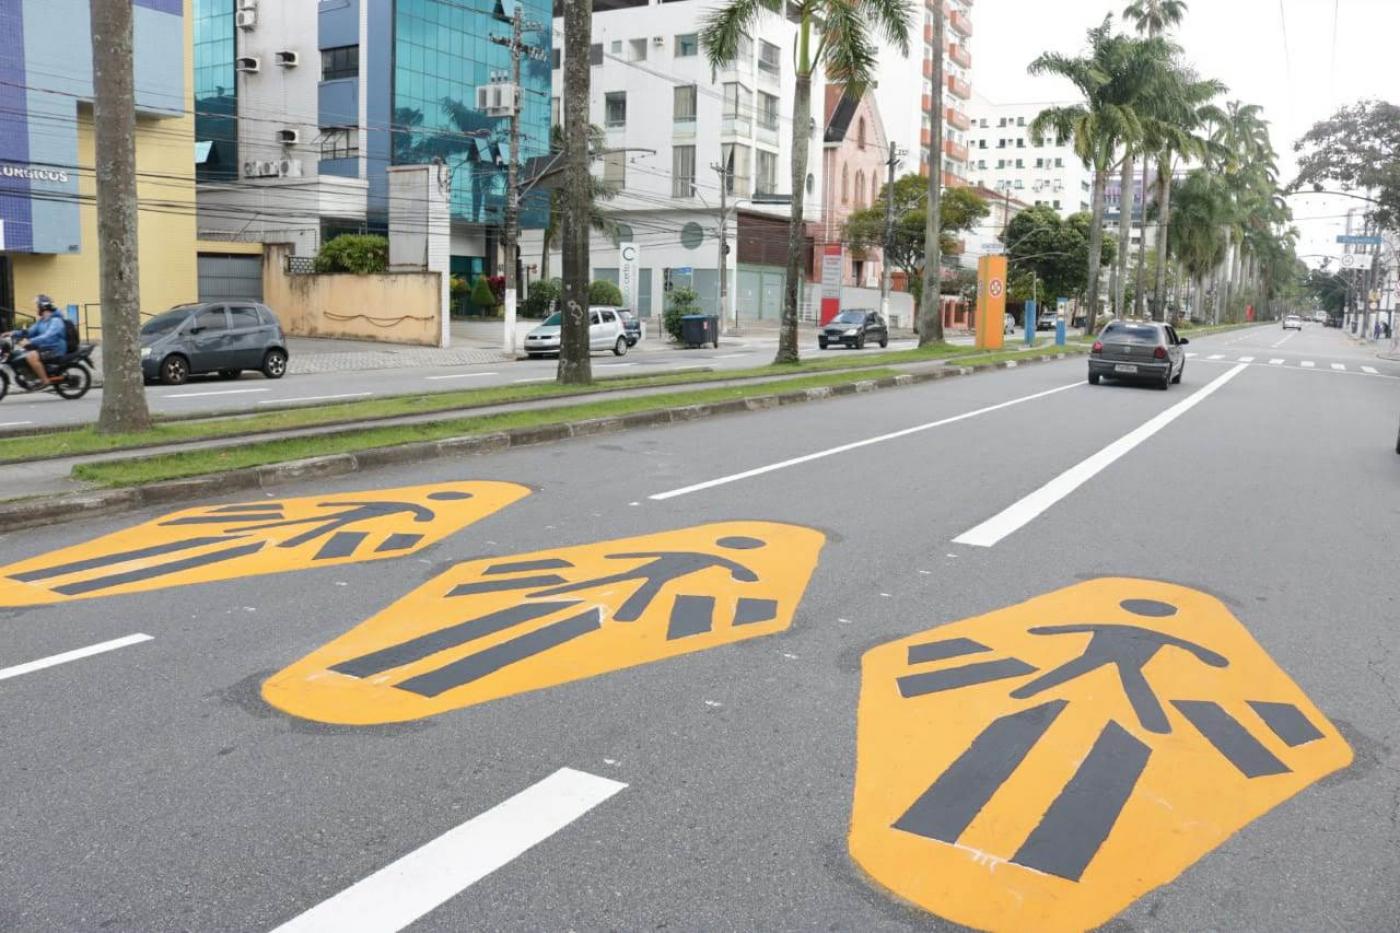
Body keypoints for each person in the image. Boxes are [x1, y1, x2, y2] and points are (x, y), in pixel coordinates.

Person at [7, 296, 68, 387]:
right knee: (19, 354)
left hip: (55, 349)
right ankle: (33, 376)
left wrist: (30, 341)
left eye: (38, 306)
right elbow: (29, 332)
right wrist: (13, 333)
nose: (37, 309)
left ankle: (45, 381)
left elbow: (48, 336)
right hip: (45, 347)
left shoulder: (56, 321)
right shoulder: (42, 321)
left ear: (43, 307)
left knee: (31, 356)